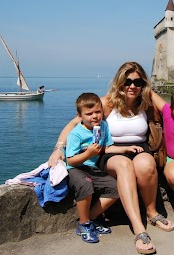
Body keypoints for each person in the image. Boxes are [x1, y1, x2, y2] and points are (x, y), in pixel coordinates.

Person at [48, 62, 174, 254]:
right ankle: (138, 228)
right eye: (127, 81)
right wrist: (58, 148)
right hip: (110, 150)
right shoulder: (107, 103)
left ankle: (152, 213)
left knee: (147, 164)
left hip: (139, 147)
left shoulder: (144, 100)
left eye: (138, 82)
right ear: (119, 82)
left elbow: (169, 111)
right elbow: (74, 123)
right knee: (124, 165)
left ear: (143, 84)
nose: (132, 86)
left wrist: (148, 91)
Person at [66, 93, 119, 243]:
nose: (94, 116)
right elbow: (70, 160)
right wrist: (88, 153)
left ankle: (92, 217)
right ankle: (83, 223)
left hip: (92, 168)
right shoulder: (76, 134)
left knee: (116, 187)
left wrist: (128, 148)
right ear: (80, 116)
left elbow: (108, 147)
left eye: (98, 112)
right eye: (88, 114)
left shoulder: (103, 126)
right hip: (75, 168)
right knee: (85, 184)